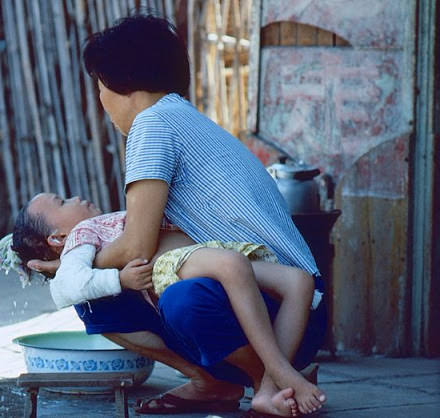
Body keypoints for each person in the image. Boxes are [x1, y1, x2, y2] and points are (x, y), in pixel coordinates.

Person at [25, 14, 328, 416]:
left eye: (99, 86)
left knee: (183, 299)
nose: (101, 100)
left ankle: (271, 382)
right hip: (295, 299)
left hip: (285, 308)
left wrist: (73, 267)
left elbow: (137, 244)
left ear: (120, 83)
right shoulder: (180, 117)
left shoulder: (151, 125)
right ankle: (216, 383)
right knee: (103, 298)